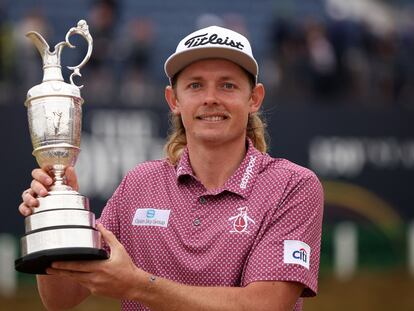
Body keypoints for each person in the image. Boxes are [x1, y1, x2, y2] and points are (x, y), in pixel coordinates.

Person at [19, 25, 324, 311]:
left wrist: (138, 286)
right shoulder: (139, 184)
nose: (211, 98)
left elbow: (264, 305)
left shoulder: (292, 186)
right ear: (174, 100)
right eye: (195, 85)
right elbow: (62, 297)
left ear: (254, 98)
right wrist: (54, 219)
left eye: (227, 85)